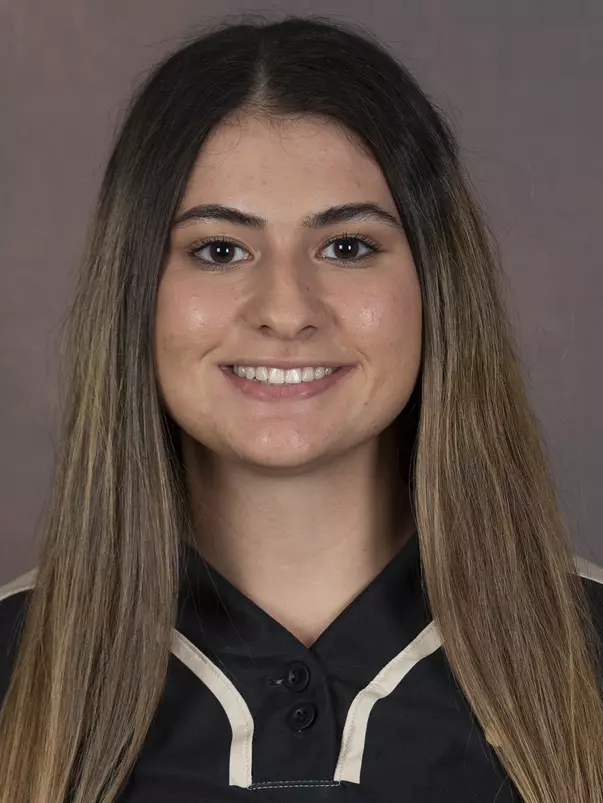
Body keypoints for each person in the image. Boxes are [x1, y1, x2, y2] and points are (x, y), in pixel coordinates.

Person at [1, 13, 602, 803]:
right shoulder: (15, 664)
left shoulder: (587, 649)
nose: (285, 310)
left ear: (434, 285)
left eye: (347, 247)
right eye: (219, 250)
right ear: (137, 291)